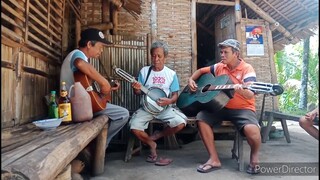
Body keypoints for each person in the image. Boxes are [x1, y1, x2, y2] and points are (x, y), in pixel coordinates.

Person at [188, 39, 261, 174]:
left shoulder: (247, 68)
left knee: (253, 131)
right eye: (221, 52)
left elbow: (250, 94)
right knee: (201, 118)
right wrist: (191, 79)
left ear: (236, 53)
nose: (222, 55)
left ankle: (254, 157)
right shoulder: (219, 66)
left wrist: (241, 90)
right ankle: (214, 159)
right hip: (221, 107)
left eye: (226, 52)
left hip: (243, 109)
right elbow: (200, 71)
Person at [60, 28, 129, 147]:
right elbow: (79, 63)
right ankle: (100, 145)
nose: (101, 51)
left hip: (78, 106)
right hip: (73, 108)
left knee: (109, 110)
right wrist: (104, 82)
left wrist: (107, 89)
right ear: (89, 44)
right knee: (123, 114)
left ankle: (99, 144)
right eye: (100, 47)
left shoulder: (80, 58)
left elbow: (86, 89)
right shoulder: (78, 55)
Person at [130, 40, 187, 166]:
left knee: (181, 123)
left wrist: (170, 100)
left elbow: (175, 95)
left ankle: (156, 136)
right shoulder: (144, 71)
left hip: (164, 108)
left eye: (159, 56)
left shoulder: (171, 74)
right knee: (134, 126)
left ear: (165, 57)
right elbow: (138, 93)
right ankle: (151, 144)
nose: (156, 59)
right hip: (147, 109)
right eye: (153, 56)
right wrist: (136, 88)